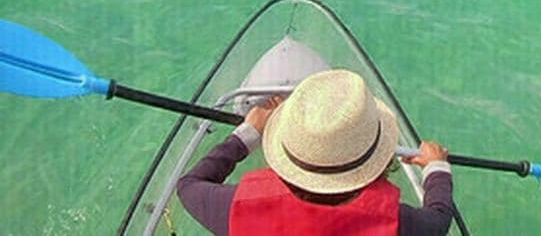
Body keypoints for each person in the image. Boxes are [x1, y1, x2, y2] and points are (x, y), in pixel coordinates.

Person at [177, 69, 454, 236]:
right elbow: (439, 218)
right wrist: (436, 168)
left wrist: (247, 134)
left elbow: (189, 185)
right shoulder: (398, 224)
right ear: (375, 161)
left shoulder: (238, 208)